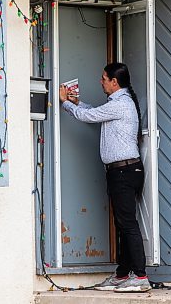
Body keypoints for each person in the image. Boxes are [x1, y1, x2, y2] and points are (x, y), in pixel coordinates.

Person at [59, 62, 151, 293]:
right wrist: (76, 101)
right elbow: (95, 111)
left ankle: (140, 276)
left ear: (114, 82)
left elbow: (89, 116)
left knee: (127, 224)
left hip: (124, 172)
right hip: (122, 171)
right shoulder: (118, 103)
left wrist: (65, 103)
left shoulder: (121, 105)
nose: (100, 81)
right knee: (122, 224)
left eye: (103, 78)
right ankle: (122, 275)